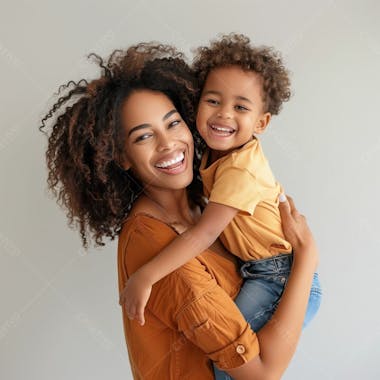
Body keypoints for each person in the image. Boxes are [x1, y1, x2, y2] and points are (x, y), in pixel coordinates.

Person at [40, 42, 319, 379]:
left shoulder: (206, 201)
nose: (168, 144)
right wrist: (306, 258)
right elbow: (261, 373)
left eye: (173, 124)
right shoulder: (157, 247)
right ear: (122, 157)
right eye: (144, 137)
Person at [119, 34, 322, 360]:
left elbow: (206, 232)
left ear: (261, 122)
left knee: (234, 365)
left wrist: (147, 275)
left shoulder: (239, 170)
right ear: (197, 103)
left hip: (277, 277)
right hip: (264, 272)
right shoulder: (211, 157)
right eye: (213, 101)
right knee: (233, 360)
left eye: (240, 107)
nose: (224, 114)